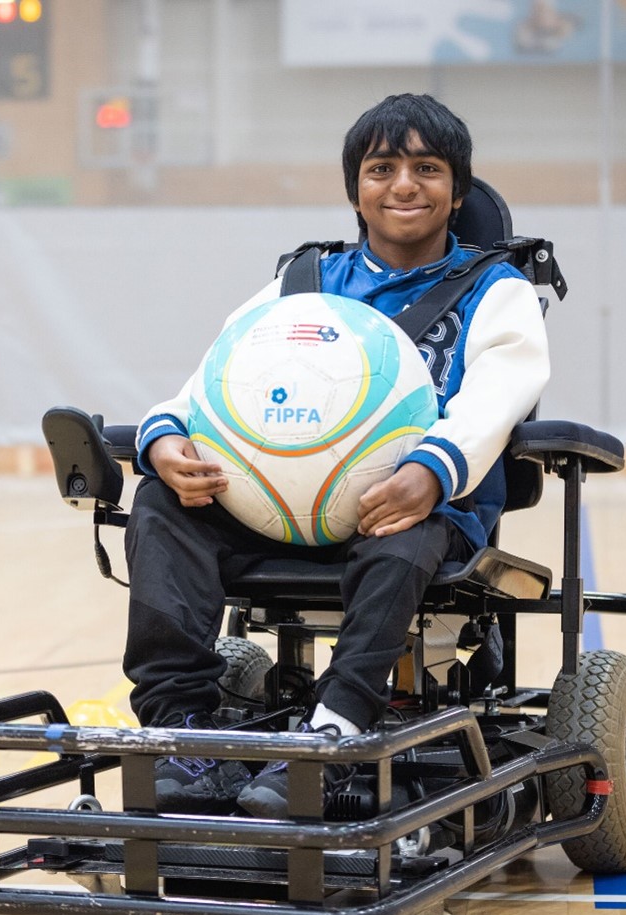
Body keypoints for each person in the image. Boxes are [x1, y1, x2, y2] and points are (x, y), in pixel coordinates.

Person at [122, 93, 550, 818]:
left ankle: (337, 730)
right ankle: (181, 729)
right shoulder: (301, 283)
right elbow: (211, 383)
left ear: (459, 191)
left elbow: (498, 398)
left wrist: (430, 469)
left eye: (426, 168)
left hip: (406, 504)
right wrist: (164, 438)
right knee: (161, 502)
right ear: (355, 187)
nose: (404, 185)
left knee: (402, 528)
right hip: (273, 504)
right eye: (382, 168)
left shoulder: (495, 291)